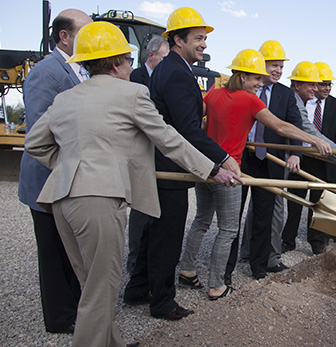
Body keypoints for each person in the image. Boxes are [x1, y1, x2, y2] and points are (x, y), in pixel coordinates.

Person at [24, 21, 239, 347]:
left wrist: (71, 166)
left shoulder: (66, 98)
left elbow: (35, 145)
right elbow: (169, 140)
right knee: (101, 288)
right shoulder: (132, 93)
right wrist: (212, 169)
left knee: (93, 284)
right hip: (96, 199)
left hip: (60, 200)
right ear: (115, 64)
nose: (131, 65)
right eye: (128, 59)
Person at [179, 49, 331, 292]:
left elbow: (194, 122)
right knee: (228, 229)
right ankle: (217, 285)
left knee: (201, 221)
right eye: (256, 79)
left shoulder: (214, 94)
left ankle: (187, 270)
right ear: (241, 77)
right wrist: (313, 140)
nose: (260, 83)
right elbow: (281, 127)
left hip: (206, 167)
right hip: (229, 171)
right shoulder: (250, 100)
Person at [124, 7, 240, 321]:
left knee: (152, 231)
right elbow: (186, 129)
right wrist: (223, 159)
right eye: (198, 38)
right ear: (178, 39)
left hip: (160, 163)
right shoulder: (176, 72)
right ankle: (162, 303)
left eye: (204, 38)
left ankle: (137, 289)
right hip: (169, 167)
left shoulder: (173, 68)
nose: (204, 44)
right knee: (167, 236)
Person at [17, 8, 91, 334]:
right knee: (53, 253)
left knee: (70, 250)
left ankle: (76, 310)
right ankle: (61, 319)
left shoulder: (80, 69)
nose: (91, 36)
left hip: (71, 178)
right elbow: (39, 131)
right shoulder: (46, 73)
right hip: (49, 179)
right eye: (85, 30)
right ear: (65, 35)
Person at [224, 40, 304, 285]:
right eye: (273, 65)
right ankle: (226, 265)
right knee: (233, 214)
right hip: (240, 158)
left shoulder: (285, 93)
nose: (278, 71)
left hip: (269, 161)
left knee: (264, 214)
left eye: (280, 66)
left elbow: (294, 123)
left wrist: (295, 153)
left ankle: (258, 265)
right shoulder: (245, 90)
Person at [281, 61, 336, 255]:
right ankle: (287, 240)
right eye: (321, 84)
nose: (324, 88)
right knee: (294, 200)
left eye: (328, 84)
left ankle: (316, 241)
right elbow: (301, 128)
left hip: (325, 161)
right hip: (301, 158)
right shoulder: (298, 101)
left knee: (319, 202)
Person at [126, 34, 169, 274]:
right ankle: (135, 266)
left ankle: (149, 266)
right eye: (163, 57)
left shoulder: (163, 78)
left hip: (159, 151)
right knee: (141, 211)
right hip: (141, 151)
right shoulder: (135, 78)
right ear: (151, 56)